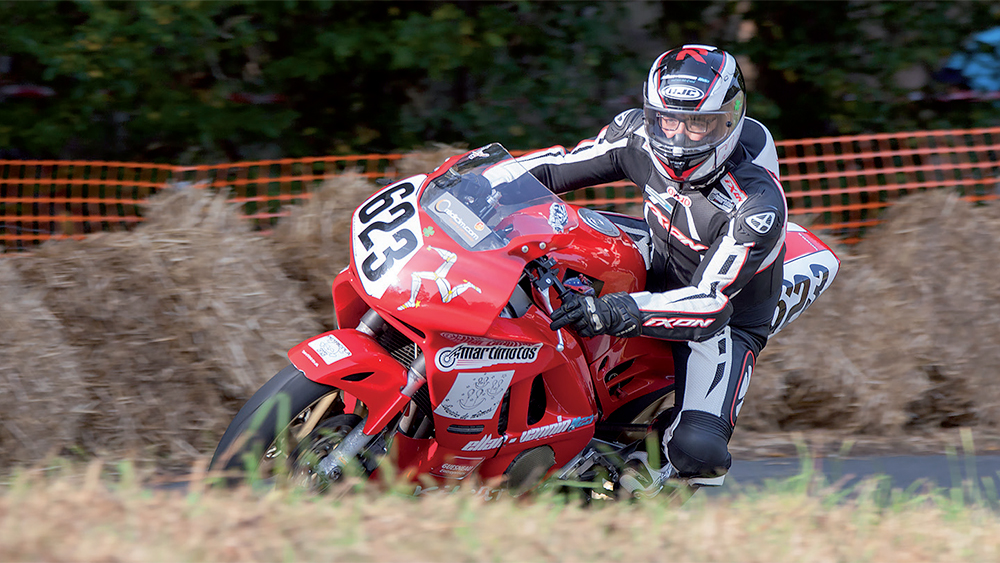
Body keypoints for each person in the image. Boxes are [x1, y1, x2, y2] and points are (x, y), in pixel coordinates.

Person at [518, 44, 787, 491]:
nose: (679, 139)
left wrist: (614, 311)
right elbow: (553, 167)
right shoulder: (637, 135)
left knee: (698, 451)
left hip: (723, 317)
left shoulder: (757, 206)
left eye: (698, 124)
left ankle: (649, 473)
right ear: (651, 113)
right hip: (657, 257)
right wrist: (468, 181)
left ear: (728, 121)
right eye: (670, 120)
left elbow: (710, 305)